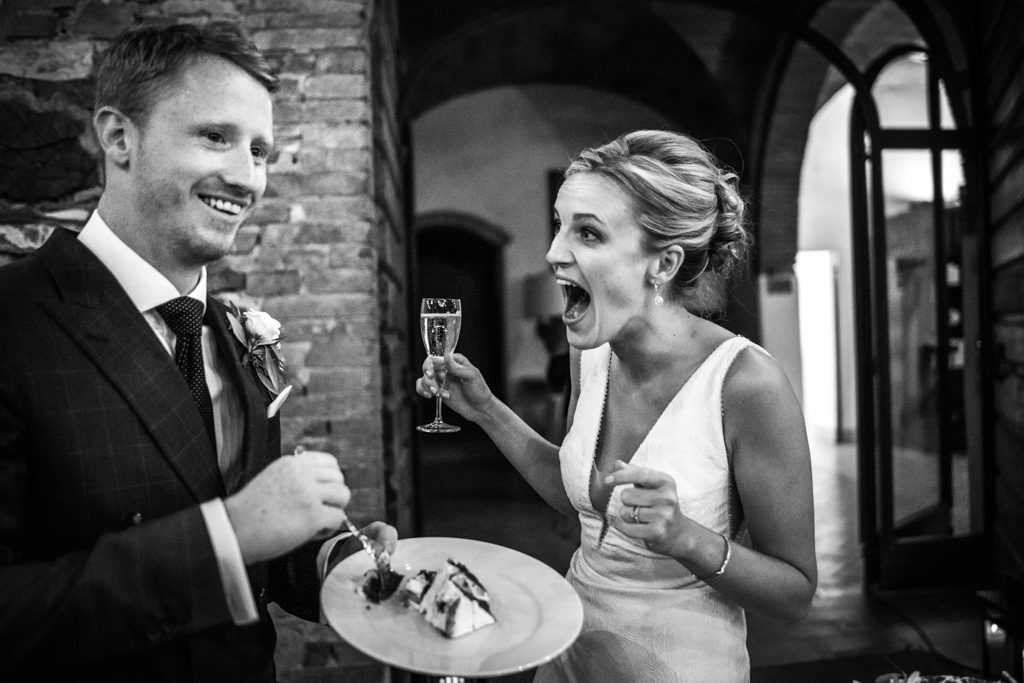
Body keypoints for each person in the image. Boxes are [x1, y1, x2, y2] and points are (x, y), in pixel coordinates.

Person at [0, 22, 396, 681]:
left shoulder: (238, 332)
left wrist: (326, 560)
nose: (247, 178)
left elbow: (247, 528)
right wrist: (227, 536)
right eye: (215, 136)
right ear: (119, 137)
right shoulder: (15, 321)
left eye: (260, 150)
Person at [416, 130, 816, 682]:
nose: (554, 253)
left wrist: (687, 538)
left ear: (663, 263)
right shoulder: (591, 353)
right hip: (570, 652)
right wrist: (485, 409)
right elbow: (579, 497)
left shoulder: (747, 384)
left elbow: (795, 593)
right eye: (559, 225)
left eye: (587, 232)